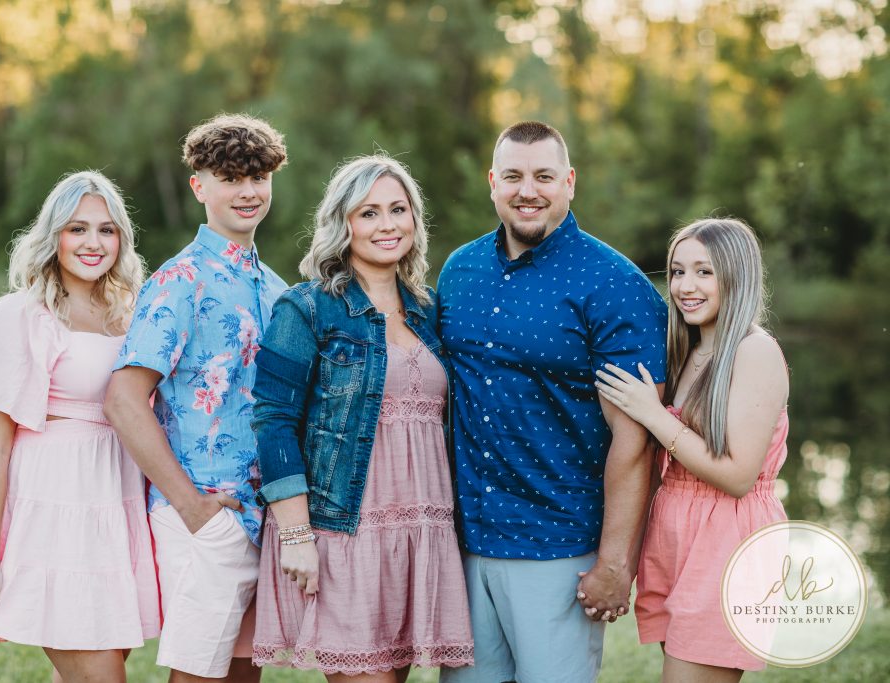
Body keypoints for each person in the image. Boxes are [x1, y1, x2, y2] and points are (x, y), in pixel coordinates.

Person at [437, 121, 669, 683]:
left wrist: (615, 562)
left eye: (544, 176)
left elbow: (635, 441)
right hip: (463, 540)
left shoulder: (615, 284)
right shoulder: (458, 270)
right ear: (492, 183)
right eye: (513, 176)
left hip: (558, 545)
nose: (527, 190)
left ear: (569, 182)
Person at [250, 154, 474, 682]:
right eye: (369, 212)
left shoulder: (428, 310)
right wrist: (297, 536)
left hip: (421, 528)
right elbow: (273, 419)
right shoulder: (305, 307)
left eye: (399, 209)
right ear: (342, 223)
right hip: (345, 531)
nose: (387, 224)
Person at [103, 113, 288, 683]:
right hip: (207, 517)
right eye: (231, 177)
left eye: (258, 176)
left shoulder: (278, 289)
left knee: (241, 677)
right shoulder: (179, 281)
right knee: (197, 677)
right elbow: (123, 401)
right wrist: (191, 507)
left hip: (265, 521)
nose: (248, 191)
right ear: (199, 186)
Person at [0, 170, 158, 682]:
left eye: (107, 230)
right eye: (77, 229)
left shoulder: (131, 313)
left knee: (88, 669)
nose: (94, 243)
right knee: (101, 674)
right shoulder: (21, 315)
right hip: (55, 507)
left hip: (119, 500)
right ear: (53, 237)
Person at [594, 218, 789, 681]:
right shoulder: (688, 349)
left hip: (727, 538)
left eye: (704, 272)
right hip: (677, 531)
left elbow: (739, 475)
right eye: (678, 271)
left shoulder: (754, 352)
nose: (686, 286)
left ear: (736, 276)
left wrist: (654, 415)